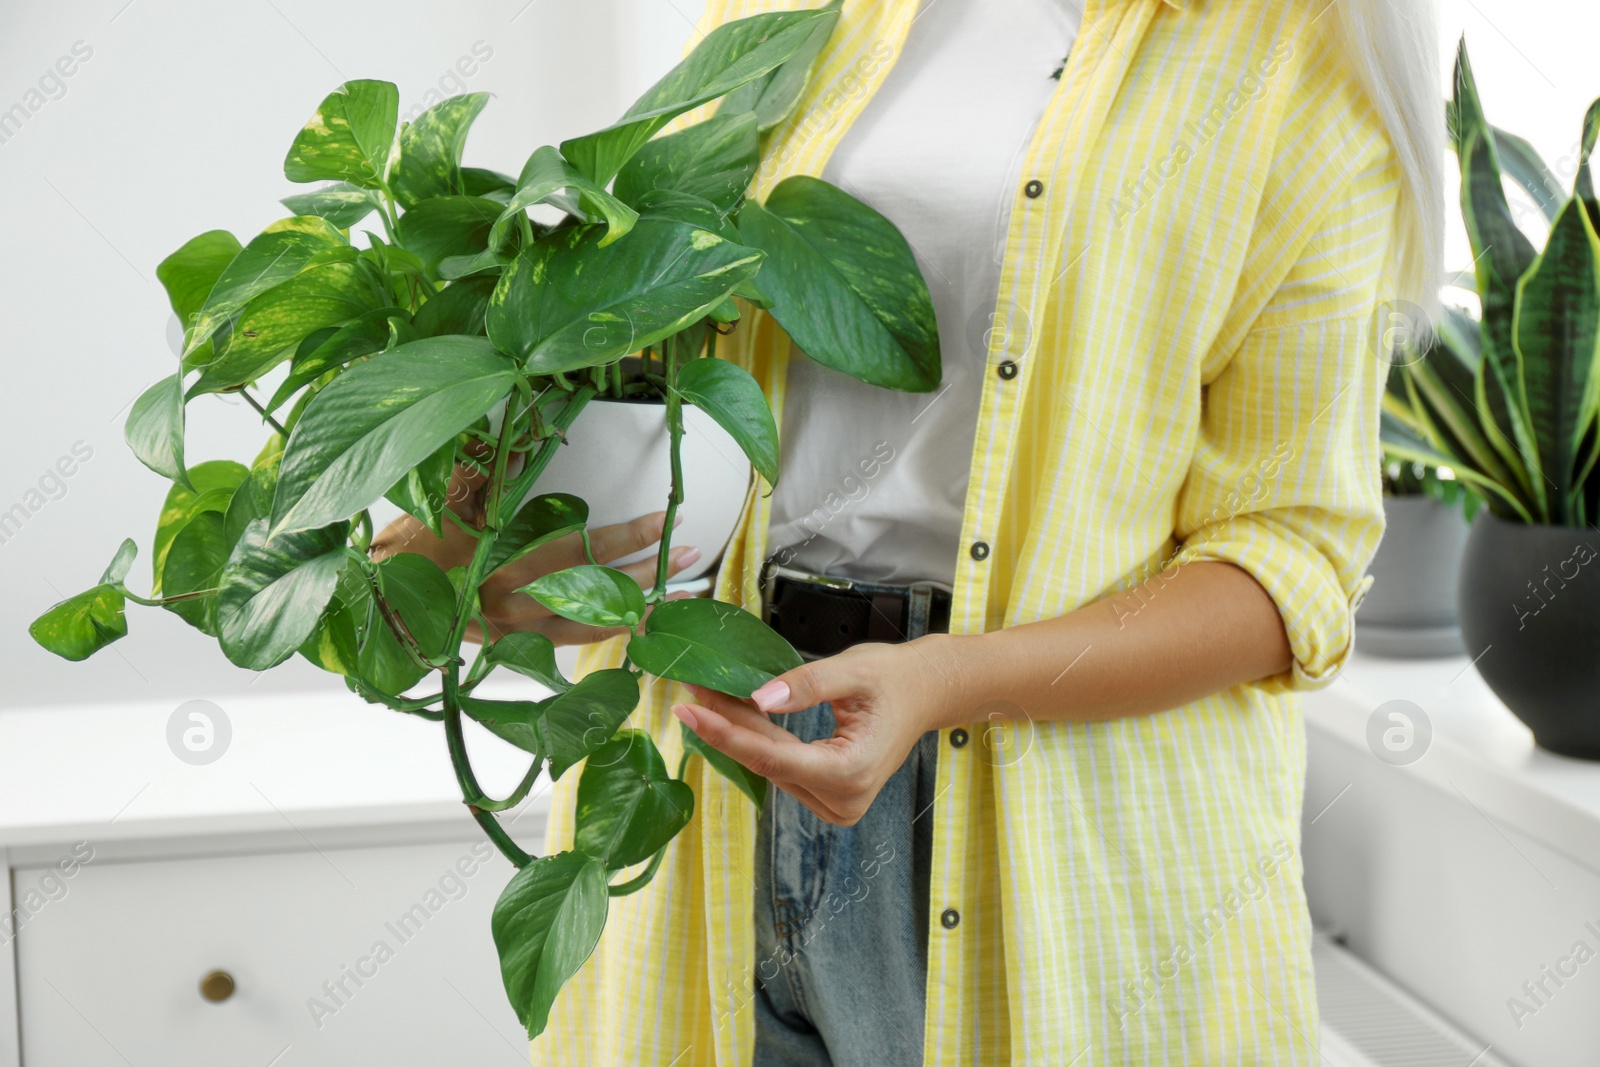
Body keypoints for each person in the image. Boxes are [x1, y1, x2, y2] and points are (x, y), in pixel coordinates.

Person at [378, 0, 1444, 1062]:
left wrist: (945, 678)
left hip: (1055, 843)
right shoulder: (783, 11)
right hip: (702, 765)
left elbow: (1288, 558)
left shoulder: (1294, 52)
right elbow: (647, 321)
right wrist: (487, 522)